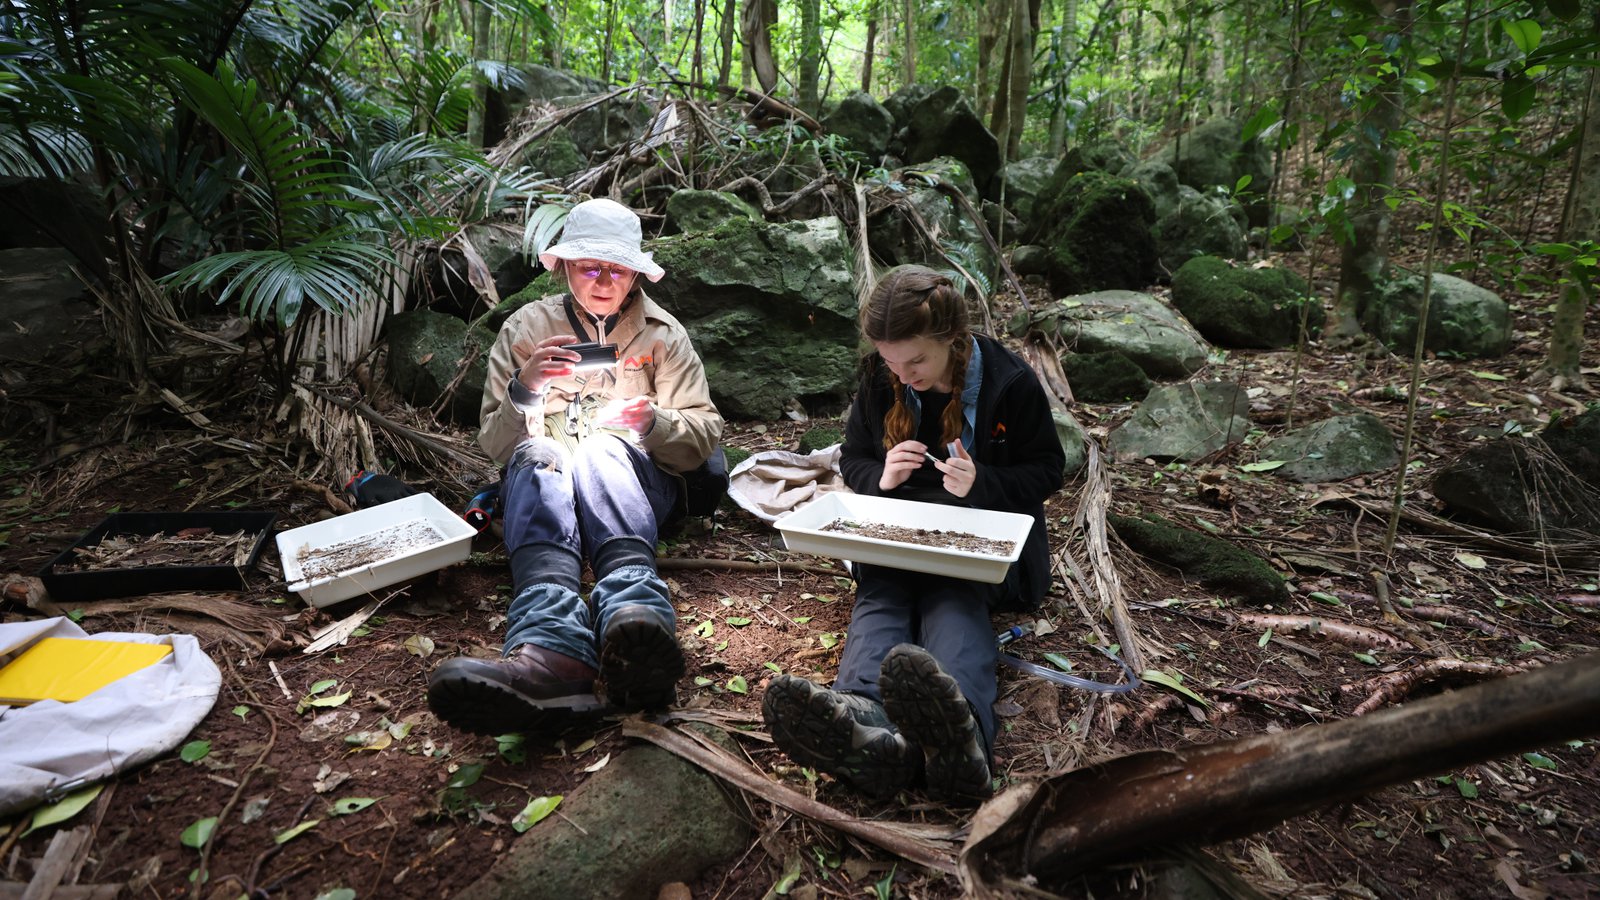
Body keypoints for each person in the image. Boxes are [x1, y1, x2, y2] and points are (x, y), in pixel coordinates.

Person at [761, 265, 1065, 803]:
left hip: (983, 541)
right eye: (890, 361)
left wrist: (983, 481)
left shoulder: (1009, 382)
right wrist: (880, 476)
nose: (903, 374)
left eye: (917, 360)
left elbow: (1047, 470)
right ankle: (865, 720)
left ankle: (964, 735)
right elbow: (853, 456)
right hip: (899, 529)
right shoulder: (882, 379)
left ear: (952, 338)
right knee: (883, 588)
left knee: (952, 592)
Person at [428, 198, 724, 735]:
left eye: (617, 268)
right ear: (563, 267)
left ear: (635, 272)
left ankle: (637, 625)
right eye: (590, 267)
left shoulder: (663, 335)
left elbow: (704, 435)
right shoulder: (525, 329)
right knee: (539, 456)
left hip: (631, 487)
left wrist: (652, 421)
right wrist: (527, 388)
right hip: (546, 487)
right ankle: (552, 650)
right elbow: (495, 446)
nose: (605, 280)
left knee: (602, 449)